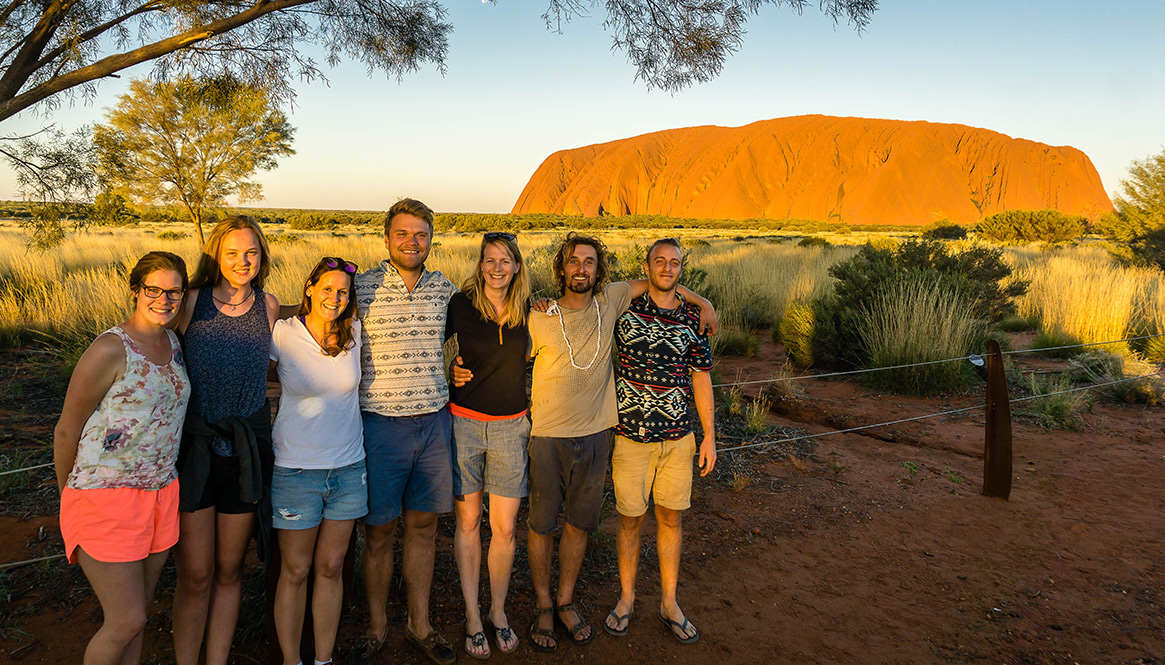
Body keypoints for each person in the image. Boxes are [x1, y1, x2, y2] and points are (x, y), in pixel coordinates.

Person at [518, 232, 716, 652]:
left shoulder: (626, 304)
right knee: (553, 524)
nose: (581, 269)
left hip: (630, 437)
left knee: (595, 523)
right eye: (574, 261)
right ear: (562, 268)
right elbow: (508, 359)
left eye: (589, 262)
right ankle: (559, 604)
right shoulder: (554, 315)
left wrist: (704, 303)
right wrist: (462, 372)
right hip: (579, 438)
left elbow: (699, 369)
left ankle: (597, 602)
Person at [53, 251, 191, 665]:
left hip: (161, 494)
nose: (164, 299)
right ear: (136, 290)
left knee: (137, 618)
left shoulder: (174, 341)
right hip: (104, 497)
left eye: (174, 291)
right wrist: (69, 495)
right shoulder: (111, 348)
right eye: (153, 289)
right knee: (125, 620)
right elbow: (66, 428)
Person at [348, 198, 457, 665]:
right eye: (403, 233)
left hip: (434, 422)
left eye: (421, 234)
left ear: (431, 239)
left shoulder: (445, 288)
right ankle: (375, 627)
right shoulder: (361, 286)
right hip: (379, 424)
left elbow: (484, 323)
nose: (412, 242)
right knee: (377, 532)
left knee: (424, 528)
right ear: (386, 238)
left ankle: (420, 624)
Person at [173, 216, 280, 665]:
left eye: (251, 252)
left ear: (262, 256)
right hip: (195, 452)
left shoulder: (268, 306)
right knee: (196, 574)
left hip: (243, 455)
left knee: (230, 570)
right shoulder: (190, 302)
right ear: (216, 253)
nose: (243, 261)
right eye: (233, 252)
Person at [603, 238, 716, 644]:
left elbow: (701, 377)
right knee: (630, 519)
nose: (667, 268)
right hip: (630, 436)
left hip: (678, 438)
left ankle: (669, 602)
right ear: (646, 265)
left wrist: (709, 438)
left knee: (671, 517)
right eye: (659, 262)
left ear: (682, 269)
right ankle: (627, 599)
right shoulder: (625, 307)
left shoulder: (693, 317)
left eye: (675, 263)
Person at [270, 257, 367, 665]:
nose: (334, 297)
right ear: (309, 288)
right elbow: (261, 380)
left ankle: (323, 660)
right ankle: (292, 661)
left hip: (348, 467)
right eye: (326, 288)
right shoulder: (282, 333)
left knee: (330, 566)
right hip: (296, 469)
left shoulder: (356, 331)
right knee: (294, 571)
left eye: (342, 291)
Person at [445, 232, 531, 659]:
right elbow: (432, 346)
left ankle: (497, 611)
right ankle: (472, 615)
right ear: (480, 264)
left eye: (505, 261)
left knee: (505, 528)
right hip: (463, 425)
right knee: (467, 523)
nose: (497, 268)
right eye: (490, 260)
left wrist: (702, 302)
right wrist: (449, 370)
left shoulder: (532, 309)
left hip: (511, 430)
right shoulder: (459, 304)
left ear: (517, 266)